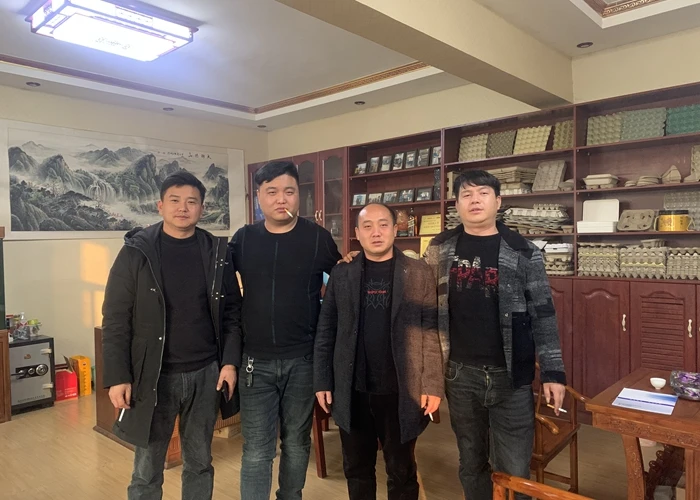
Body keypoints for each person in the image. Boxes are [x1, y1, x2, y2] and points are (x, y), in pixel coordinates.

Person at [424, 169, 566, 500]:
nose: (475, 200)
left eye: (483, 193)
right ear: (456, 204)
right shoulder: (440, 248)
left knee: (515, 470)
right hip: (459, 375)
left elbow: (543, 314)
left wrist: (553, 372)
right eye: (466, 194)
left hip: (510, 377)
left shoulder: (523, 250)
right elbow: (423, 303)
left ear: (498, 201)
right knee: (471, 461)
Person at [102, 171, 241, 500]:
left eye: (192, 201)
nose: (183, 208)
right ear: (160, 205)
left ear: (202, 208)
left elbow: (233, 313)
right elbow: (116, 318)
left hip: (206, 374)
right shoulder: (136, 251)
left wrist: (229, 363)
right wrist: (118, 376)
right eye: (175, 200)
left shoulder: (217, 251)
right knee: (147, 468)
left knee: (200, 462)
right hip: (155, 375)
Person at [314, 203, 443, 500]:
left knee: (401, 472)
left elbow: (430, 332)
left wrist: (433, 384)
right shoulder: (342, 273)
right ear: (357, 233)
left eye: (383, 224)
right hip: (352, 390)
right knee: (357, 470)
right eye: (367, 226)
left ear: (395, 230)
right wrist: (322, 380)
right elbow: (326, 330)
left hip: (401, 391)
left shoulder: (419, 273)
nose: (376, 232)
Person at [229, 160, 341, 500]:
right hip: (255, 362)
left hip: (303, 360)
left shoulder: (317, 238)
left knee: (296, 441)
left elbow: (343, 280)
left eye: (289, 191)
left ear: (299, 195)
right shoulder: (244, 239)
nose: (281, 199)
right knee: (257, 448)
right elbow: (221, 289)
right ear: (258, 197)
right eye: (272, 192)